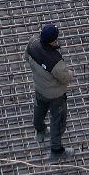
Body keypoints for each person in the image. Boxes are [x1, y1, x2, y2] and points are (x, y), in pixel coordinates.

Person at [26, 23, 74, 158]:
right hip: (55, 95)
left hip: (40, 89)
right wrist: (70, 73)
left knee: (39, 110)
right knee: (57, 121)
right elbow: (65, 78)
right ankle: (56, 151)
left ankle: (40, 131)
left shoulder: (32, 43)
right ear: (53, 41)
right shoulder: (56, 62)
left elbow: (27, 58)